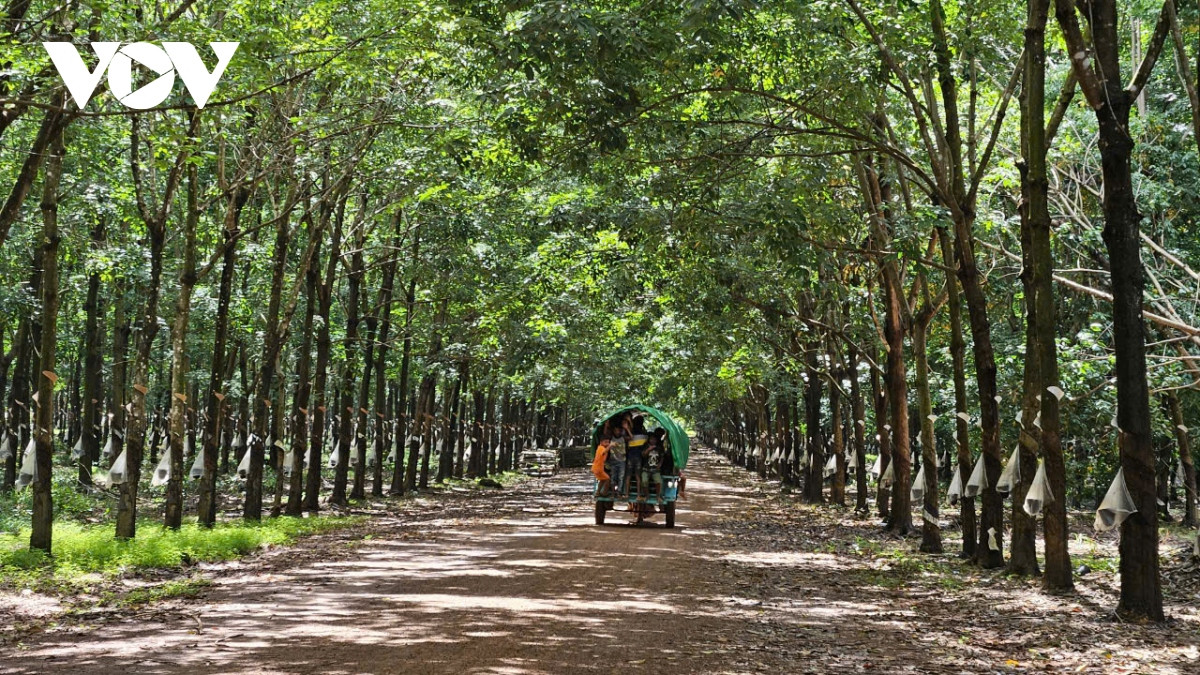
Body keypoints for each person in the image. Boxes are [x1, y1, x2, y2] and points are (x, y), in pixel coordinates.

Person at [626, 416, 649, 497]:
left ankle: (627, 494)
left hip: (630, 456)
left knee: (628, 476)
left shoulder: (629, 433)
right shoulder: (644, 434)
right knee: (638, 476)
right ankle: (639, 494)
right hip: (639, 457)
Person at [640, 432, 664, 500]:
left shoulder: (659, 447)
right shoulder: (645, 446)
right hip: (646, 469)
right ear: (649, 439)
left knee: (658, 481)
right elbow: (643, 455)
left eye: (654, 439)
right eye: (651, 439)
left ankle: (658, 496)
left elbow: (662, 456)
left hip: (655, 469)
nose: (653, 441)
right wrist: (649, 449)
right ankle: (646, 496)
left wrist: (660, 464)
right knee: (644, 481)